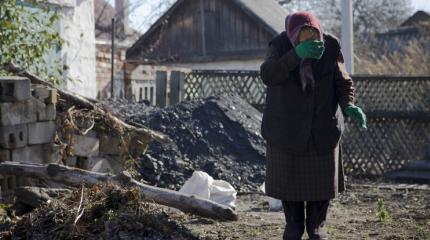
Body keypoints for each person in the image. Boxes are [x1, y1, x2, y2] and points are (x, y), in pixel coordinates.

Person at [260, 11, 367, 240]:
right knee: (293, 206)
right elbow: (268, 74)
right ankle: (294, 225)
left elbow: (342, 81)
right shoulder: (279, 45)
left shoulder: (330, 46)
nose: (311, 41)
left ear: (320, 31)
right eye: (303, 37)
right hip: (286, 133)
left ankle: (318, 227)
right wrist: (295, 56)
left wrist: (348, 105)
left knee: (318, 206)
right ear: (293, 34)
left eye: (314, 35)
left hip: (321, 131)